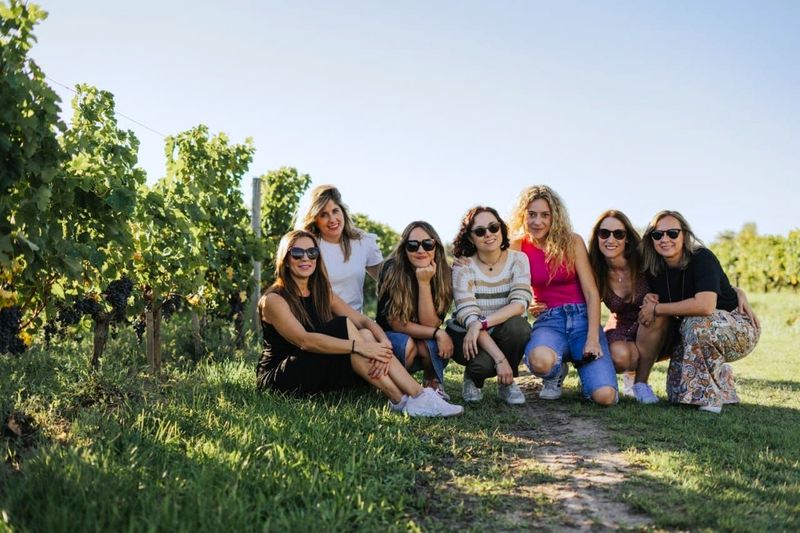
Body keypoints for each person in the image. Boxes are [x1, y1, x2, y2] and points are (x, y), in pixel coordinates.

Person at [255, 230, 463, 417]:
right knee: (343, 326)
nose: (305, 258)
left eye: (312, 252)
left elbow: (363, 319)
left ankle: (409, 399)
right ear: (285, 259)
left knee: (366, 333)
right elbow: (305, 341)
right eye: (297, 253)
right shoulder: (274, 299)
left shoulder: (322, 292)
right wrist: (360, 347)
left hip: (316, 367)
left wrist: (383, 345)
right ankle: (408, 397)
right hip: (281, 377)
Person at [638, 210, 760, 414]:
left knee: (696, 322)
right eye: (657, 235)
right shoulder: (654, 268)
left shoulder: (702, 257)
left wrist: (657, 309)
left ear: (684, 234)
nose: (665, 239)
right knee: (676, 394)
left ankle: (710, 399)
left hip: (738, 327)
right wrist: (649, 301)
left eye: (672, 233)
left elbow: (705, 305)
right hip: (694, 332)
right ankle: (722, 379)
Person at [510, 185, 617, 406]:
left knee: (605, 397)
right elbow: (513, 286)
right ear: (523, 215)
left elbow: (591, 293)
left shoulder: (573, 241)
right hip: (550, 322)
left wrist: (592, 339)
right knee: (539, 362)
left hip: (583, 320)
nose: (537, 221)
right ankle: (555, 373)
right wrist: (528, 302)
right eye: (532, 214)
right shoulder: (517, 246)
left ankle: (586, 372)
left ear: (555, 217)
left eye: (545, 215)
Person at [447, 206, 532, 405]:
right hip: (469, 334)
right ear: (470, 238)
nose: (488, 234)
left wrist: (481, 323)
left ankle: (506, 383)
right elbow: (469, 317)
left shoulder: (519, 260)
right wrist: (499, 358)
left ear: (501, 228)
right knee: (482, 366)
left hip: (499, 330)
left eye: (493, 227)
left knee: (519, 327)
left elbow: (520, 304)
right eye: (479, 231)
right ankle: (472, 378)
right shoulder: (463, 267)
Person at [587, 210, 668, 404]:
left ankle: (641, 383)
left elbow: (679, 276)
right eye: (604, 233)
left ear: (627, 239)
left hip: (656, 328)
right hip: (622, 327)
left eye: (618, 234)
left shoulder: (644, 261)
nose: (610, 239)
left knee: (657, 314)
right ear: (597, 237)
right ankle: (631, 373)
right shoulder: (595, 270)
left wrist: (732, 290)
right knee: (619, 357)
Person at [376, 221, 454, 399]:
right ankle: (398, 382)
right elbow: (395, 323)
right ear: (404, 249)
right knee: (407, 344)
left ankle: (432, 382)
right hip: (393, 340)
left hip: (424, 338)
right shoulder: (390, 269)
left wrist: (424, 283)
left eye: (427, 244)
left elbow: (430, 324)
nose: (420, 250)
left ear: (436, 246)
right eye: (413, 245)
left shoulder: (446, 275)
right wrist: (439, 333)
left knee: (433, 345)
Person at [300, 184, 383, 313]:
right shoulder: (309, 246)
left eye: (335, 211)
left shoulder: (363, 241)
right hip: (319, 319)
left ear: (343, 211)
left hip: (356, 320)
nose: (332, 219)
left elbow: (388, 279)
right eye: (324, 215)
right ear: (315, 219)